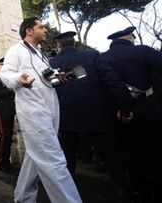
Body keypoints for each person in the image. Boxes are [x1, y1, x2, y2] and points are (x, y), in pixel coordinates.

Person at [0, 17, 82, 203]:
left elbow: (47, 80)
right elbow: (5, 75)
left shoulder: (41, 55)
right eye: (41, 27)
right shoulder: (16, 50)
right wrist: (19, 80)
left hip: (50, 109)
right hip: (33, 111)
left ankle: (22, 197)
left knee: (35, 155)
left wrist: (59, 78)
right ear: (29, 31)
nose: (45, 30)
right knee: (54, 160)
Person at [50, 31, 134, 201]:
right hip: (97, 115)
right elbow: (112, 82)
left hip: (66, 118)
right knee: (110, 155)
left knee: (67, 160)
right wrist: (125, 107)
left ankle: (66, 195)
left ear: (58, 46)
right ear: (74, 44)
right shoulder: (92, 56)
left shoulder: (51, 64)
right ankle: (123, 190)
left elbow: (49, 90)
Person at [101, 26, 162, 202]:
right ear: (130, 38)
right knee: (153, 151)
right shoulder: (143, 51)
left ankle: (134, 189)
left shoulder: (103, 58)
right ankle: (153, 190)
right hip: (148, 110)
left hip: (117, 113)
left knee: (126, 152)